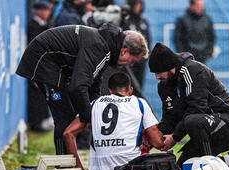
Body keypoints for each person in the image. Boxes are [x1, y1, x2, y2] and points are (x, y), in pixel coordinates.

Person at [16, 23, 149, 155]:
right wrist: (89, 118)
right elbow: (78, 87)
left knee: (71, 113)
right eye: (132, 60)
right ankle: (65, 166)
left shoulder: (105, 47)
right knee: (65, 116)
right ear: (124, 51)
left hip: (56, 62)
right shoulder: (101, 47)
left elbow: (93, 84)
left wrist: (98, 111)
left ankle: (67, 163)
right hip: (43, 59)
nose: (131, 65)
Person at [63, 72, 164, 170]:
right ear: (130, 90)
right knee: (146, 136)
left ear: (110, 90)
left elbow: (67, 133)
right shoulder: (139, 103)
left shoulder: (95, 104)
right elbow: (158, 143)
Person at [149, 42, 229, 166]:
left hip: (228, 122)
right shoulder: (164, 85)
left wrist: (174, 138)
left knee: (192, 121)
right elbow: (169, 119)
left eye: (159, 72)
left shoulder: (192, 70)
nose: (156, 77)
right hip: (201, 127)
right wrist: (152, 136)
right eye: (154, 73)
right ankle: (226, 162)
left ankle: (210, 167)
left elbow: (197, 109)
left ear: (170, 66)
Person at [27, 0, 54, 132]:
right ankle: (36, 123)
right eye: (46, 10)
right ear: (38, 11)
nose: (48, 13)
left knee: (43, 95)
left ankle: (43, 120)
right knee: (36, 95)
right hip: (36, 67)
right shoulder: (32, 26)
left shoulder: (46, 25)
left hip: (45, 66)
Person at [121, 0, 151, 94]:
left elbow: (148, 41)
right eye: (137, 4)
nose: (139, 7)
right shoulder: (125, 21)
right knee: (127, 86)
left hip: (141, 63)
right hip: (128, 64)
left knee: (138, 88)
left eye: (141, 4)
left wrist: (144, 58)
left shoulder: (144, 22)